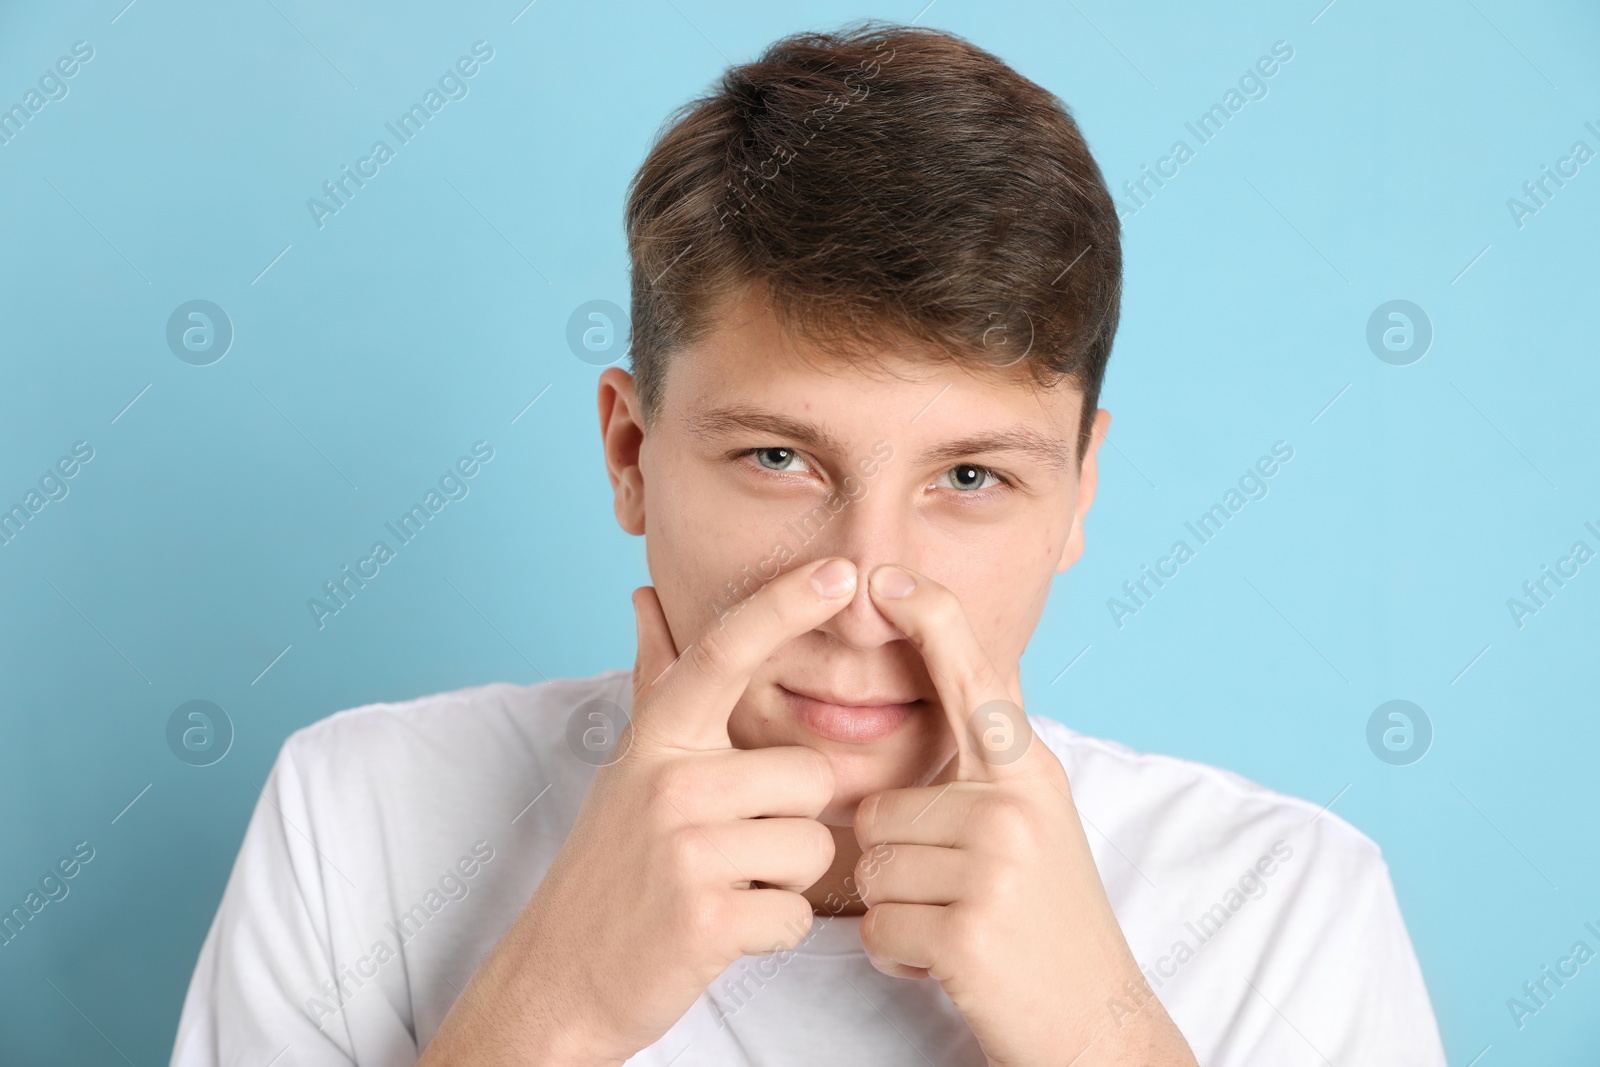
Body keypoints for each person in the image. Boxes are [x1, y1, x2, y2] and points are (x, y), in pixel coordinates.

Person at [170, 22, 1447, 1067]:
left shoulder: (1288, 901)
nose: (863, 600)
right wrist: (550, 1011)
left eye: (970, 474)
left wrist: (1096, 1033)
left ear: (1078, 493)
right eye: (780, 458)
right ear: (630, 453)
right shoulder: (359, 817)